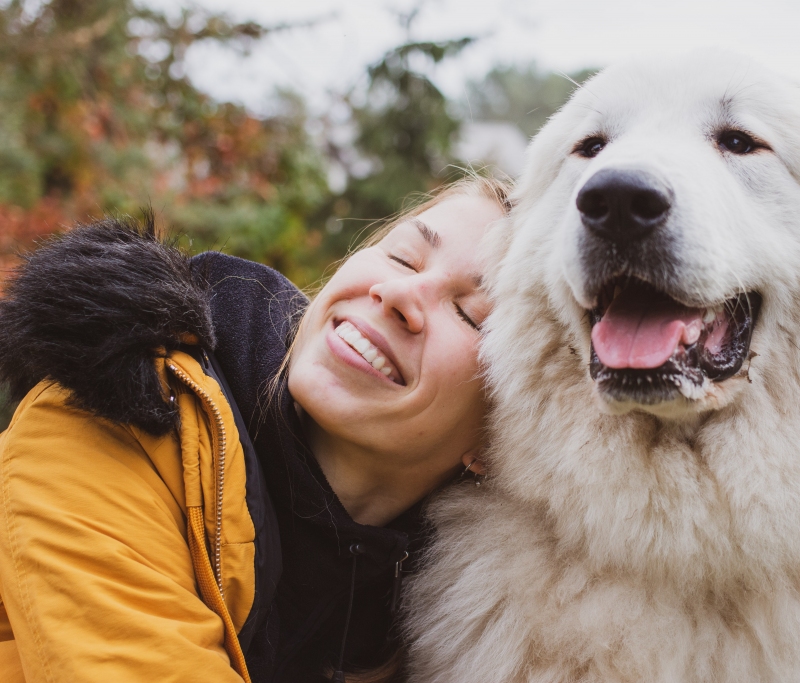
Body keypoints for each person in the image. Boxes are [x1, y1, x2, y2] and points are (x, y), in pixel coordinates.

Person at [0, 175, 510, 683]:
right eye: (401, 256)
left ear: (504, 438)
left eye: (470, 315)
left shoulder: (440, 626)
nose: (398, 292)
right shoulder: (112, 407)